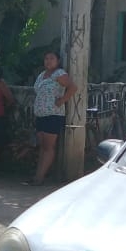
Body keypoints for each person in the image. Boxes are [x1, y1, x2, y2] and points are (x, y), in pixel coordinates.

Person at [28, 50, 77, 186]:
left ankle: (40, 177)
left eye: (51, 58)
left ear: (58, 61)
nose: (48, 61)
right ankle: (37, 175)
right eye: (46, 58)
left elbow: (72, 88)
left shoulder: (59, 74)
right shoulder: (42, 75)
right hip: (41, 115)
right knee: (42, 146)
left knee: (48, 147)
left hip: (53, 115)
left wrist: (62, 101)